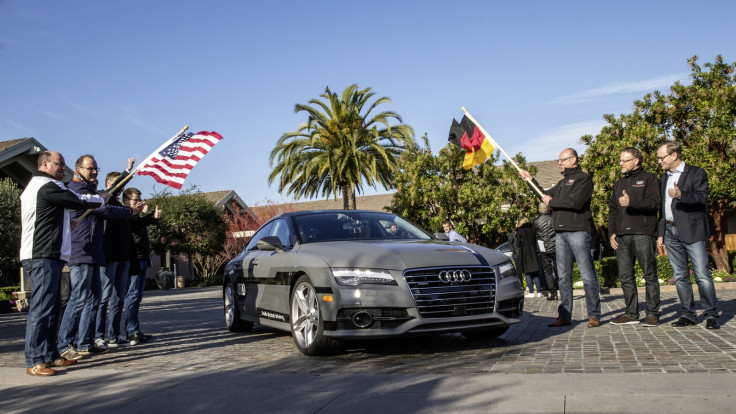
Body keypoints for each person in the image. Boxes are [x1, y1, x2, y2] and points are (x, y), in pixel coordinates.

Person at [20, 151, 108, 376]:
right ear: (45, 164)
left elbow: (58, 215)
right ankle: (35, 360)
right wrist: (99, 198)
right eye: (59, 164)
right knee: (41, 308)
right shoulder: (46, 185)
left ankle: (50, 355)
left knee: (52, 307)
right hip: (42, 254)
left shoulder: (47, 186)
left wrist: (69, 226)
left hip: (52, 253)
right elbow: (75, 200)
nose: (63, 168)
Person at [57, 155, 137, 360]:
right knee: (79, 298)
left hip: (94, 253)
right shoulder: (76, 190)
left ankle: (85, 342)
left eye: (96, 169)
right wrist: (129, 210)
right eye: (89, 169)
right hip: (81, 251)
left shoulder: (91, 192)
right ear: (78, 170)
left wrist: (127, 174)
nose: (94, 172)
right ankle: (64, 344)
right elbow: (105, 208)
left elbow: (108, 199)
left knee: (94, 298)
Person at [520, 148, 601, 328]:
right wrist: (530, 180)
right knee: (563, 277)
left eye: (562, 160)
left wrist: (552, 202)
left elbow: (575, 202)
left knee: (587, 275)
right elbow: (545, 195)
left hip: (578, 231)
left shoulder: (583, 179)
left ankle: (594, 314)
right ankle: (564, 315)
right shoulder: (562, 183)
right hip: (560, 233)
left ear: (573, 160)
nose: (559, 163)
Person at [656, 141, 720, 329]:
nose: (659, 161)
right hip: (669, 230)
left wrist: (682, 194)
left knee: (702, 275)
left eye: (662, 157)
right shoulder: (663, 178)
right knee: (680, 275)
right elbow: (663, 209)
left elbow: (702, 197)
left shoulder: (696, 172)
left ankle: (711, 314)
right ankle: (688, 314)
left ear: (674, 155)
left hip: (692, 230)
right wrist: (661, 233)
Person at [608, 148, 661, 326]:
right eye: (620, 160)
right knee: (625, 277)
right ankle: (631, 313)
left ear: (636, 160)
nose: (621, 163)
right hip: (622, 236)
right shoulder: (619, 184)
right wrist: (612, 232)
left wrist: (633, 203)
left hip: (643, 234)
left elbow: (655, 204)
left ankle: (652, 314)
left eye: (625, 160)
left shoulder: (650, 179)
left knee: (649, 275)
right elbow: (613, 210)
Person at [96, 170, 136, 346]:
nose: (121, 188)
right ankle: (98, 334)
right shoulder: (102, 200)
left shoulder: (120, 206)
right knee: (103, 297)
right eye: (117, 184)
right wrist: (127, 171)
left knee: (119, 297)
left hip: (123, 256)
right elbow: (113, 190)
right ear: (108, 184)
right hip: (108, 256)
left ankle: (113, 334)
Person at [122, 187, 161, 345]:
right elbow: (135, 224)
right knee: (132, 295)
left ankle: (134, 329)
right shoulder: (126, 217)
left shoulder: (136, 217)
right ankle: (131, 331)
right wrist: (151, 217)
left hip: (142, 259)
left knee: (137, 296)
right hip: (134, 260)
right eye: (135, 201)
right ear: (126, 202)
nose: (139, 203)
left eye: (140, 199)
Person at [514, 217, 543, 298]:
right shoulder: (533, 229)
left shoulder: (520, 231)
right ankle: (539, 291)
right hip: (533, 252)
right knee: (535, 273)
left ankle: (531, 292)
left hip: (525, 253)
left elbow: (518, 244)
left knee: (527, 273)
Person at [533, 202, 557, 301]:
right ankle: (563, 290)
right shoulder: (554, 218)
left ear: (540, 209)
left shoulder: (536, 221)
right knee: (559, 269)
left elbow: (535, 235)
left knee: (547, 271)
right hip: (555, 247)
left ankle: (553, 293)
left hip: (543, 249)